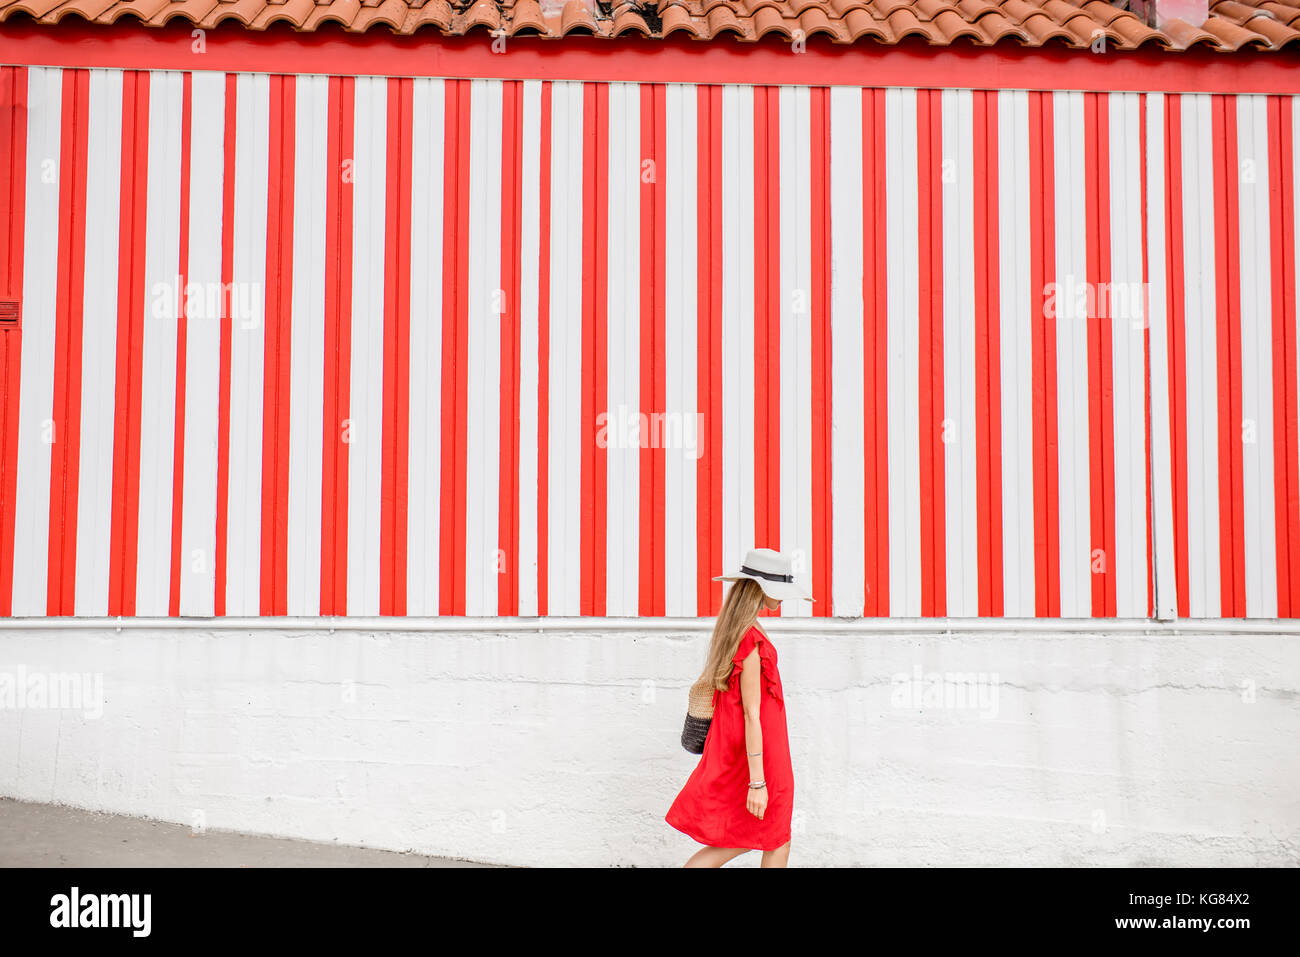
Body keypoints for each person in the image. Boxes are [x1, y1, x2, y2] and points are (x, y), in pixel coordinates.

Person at [665, 547, 813, 867]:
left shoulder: (740, 630)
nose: (783, 597)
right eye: (779, 589)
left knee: (751, 838)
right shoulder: (750, 639)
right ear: (761, 589)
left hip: (755, 751)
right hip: (762, 757)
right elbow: (751, 713)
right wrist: (757, 782)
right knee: (775, 839)